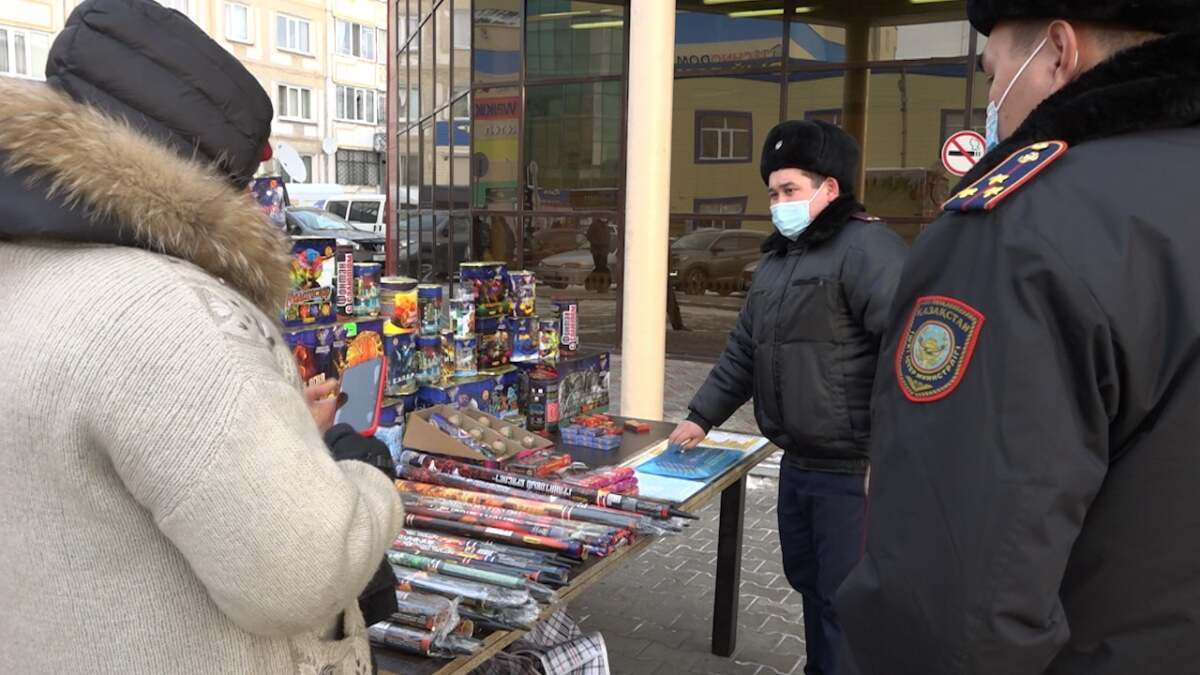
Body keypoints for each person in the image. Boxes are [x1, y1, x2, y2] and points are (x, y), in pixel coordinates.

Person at [0, 1, 404, 672]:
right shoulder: (165, 310)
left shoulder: (23, 272)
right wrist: (365, 474)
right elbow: (299, 571)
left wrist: (272, 431)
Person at [835, 2, 1200, 674]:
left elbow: (953, 612)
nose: (993, 102)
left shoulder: (1021, 230)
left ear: (1059, 52)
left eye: (993, 74)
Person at [669, 120, 907, 675]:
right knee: (810, 586)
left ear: (830, 188)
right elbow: (743, 353)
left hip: (855, 471)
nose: (779, 204)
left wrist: (892, 453)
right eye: (773, 193)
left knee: (845, 603)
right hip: (798, 464)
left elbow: (908, 355)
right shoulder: (776, 262)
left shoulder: (868, 248)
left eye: (790, 191)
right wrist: (700, 417)